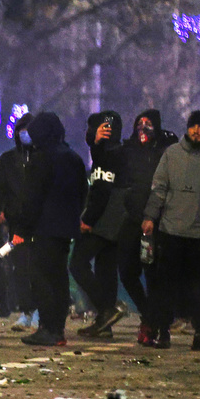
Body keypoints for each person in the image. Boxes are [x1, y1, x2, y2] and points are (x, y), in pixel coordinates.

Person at [142, 110, 200, 351]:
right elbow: (159, 188)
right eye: (193, 126)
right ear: (187, 128)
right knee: (167, 284)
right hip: (171, 230)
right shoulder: (172, 154)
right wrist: (150, 216)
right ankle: (163, 331)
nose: (196, 131)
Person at [97, 110, 177, 344]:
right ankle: (150, 316)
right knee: (127, 271)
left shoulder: (165, 152)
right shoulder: (129, 150)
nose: (143, 128)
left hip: (158, 223)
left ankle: (160, 326)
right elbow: (107, 162)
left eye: (148, 123)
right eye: (139, 123)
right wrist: (97, 143)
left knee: (155, 276)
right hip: (133, 220)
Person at [19, 112, 88, 346]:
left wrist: (25, 226)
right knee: (59, 278)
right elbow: (82, 193)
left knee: (41, 278)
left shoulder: (40, 159)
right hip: (65, 228)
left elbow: (32, 198)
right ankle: (58, 328)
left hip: (44, 227)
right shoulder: (73, 158)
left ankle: (47, 327)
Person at [74, 111, 128, 338]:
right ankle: (104, 325)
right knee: (106, 269)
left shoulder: (107, 154)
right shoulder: (112, 153)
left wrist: (88, 220)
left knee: (77, 263)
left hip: (103, 222)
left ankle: (107, 308)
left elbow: (102, 190)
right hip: (115, 223)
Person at [0, 112, 38, 331]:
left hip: (40, 224)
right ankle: (27, 311)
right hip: (16, 225)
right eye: (21, 130)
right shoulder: (7, 160)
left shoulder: (43, 158)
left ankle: (39, 312)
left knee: (38, 268)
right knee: (20, 268)